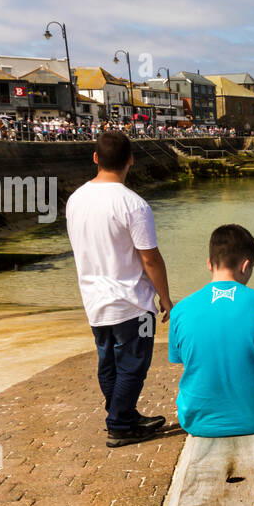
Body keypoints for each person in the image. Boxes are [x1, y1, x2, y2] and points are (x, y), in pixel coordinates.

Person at [66, 130, 172, 448]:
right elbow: (150, 257)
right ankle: (120, 424)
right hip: (132, 303)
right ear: (130, 160)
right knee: (133, 365)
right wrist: (165, 297)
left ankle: (121, 414)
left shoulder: (75, 200)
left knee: (108, 362)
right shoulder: (133, 205)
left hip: (94, 299)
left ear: (96, 158)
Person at [168, 224, 254, 437]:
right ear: (245, 266)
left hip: (197, 421)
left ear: (209, 264)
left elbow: (189, 364)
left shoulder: (179, 310)